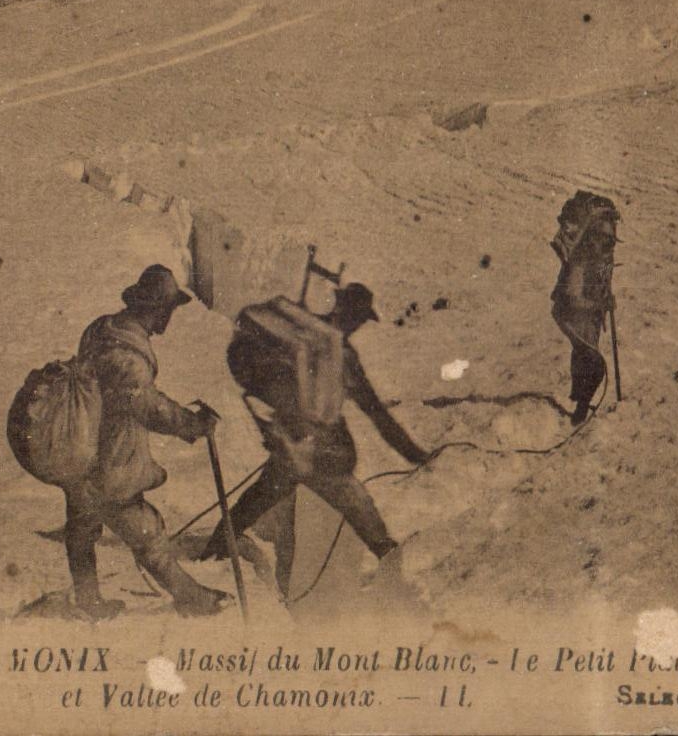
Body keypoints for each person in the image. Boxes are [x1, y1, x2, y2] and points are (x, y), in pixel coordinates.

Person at [200, 282, 429, 589]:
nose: (358, 325)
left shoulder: (298, 339)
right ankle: (396, 575)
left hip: (291, 446)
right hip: (321, 454)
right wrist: (414, 455)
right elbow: (376, 413)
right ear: (352, 315)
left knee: (256, 500)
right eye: (359, 318)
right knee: (361, 511)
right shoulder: (339, 356)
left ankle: (211, 555)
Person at [62, 264, 231, 620]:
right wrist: (191, 423)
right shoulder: (129, 358)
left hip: (80, 452)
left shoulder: (101, 329)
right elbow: (147, 406)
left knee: (81, 530)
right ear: (156, 310)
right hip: (111, 461)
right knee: (148, 534)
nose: (169, 318)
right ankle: (190, 598)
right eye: (168, 310)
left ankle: (88, 600)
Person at [550, 192, 618, 426]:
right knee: (596, 365)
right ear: (593, 235)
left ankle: (579, 403)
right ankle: (580, 410)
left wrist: (608, 298)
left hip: (587, 319)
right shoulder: (580, 261)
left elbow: (602, 284)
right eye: (604, 236)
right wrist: (599, 304)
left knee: (584, 357)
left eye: (611, 237)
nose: (609, 241)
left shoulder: (602, 258)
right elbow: (571, 298)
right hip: (571, 317)